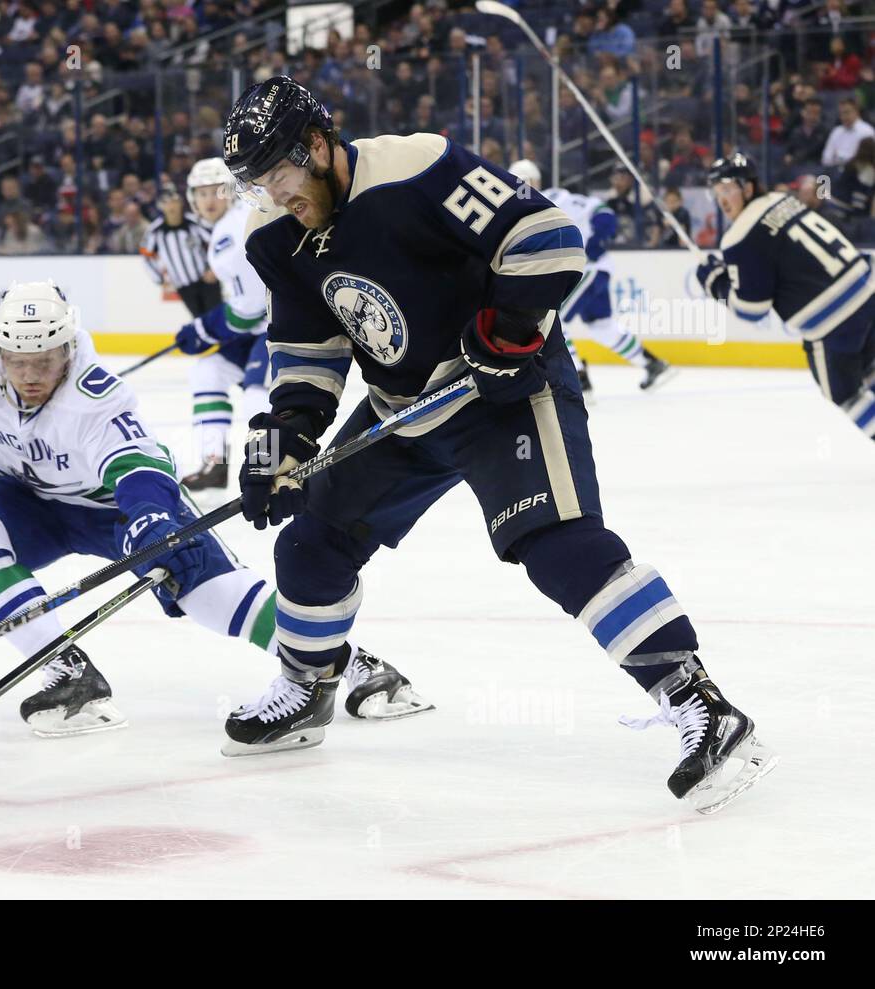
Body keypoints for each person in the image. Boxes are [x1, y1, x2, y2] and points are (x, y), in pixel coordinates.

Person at [219, 77, 776, 812]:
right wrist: (287, 435)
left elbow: (545, 236)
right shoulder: (273, 232)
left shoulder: (416, 165)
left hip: (501, 393)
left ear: (317, 145)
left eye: (280, 172)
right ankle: (306, 686)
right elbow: (307, 344)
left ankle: (698, 701)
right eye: (256, 180)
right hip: (404, 407)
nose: (271, 191)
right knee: (310, 543)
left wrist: (507, 329)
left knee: (558, 546)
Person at [0, 280, 430, 738]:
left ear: (68, 348)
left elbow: (137, 468)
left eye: (45, 361)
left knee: (212, 599)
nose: (30, 375)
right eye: (18, 361)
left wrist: (150, 518)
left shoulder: (95, 394)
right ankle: (66, 670)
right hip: (26, 498)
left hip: (115, 508)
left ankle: (349, 662)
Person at [698, 152, 875, 442]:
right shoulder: (786, 201)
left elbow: (752, 309)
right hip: (867, 294)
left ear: (748, 187)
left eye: (728, 188)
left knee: (846, 395)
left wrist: (715, 283)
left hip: (832, 323)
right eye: (716, 192)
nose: (722, 200)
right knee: (871, 373)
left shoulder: (739, 235)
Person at [508, 159, 676, 398]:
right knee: (601, 326)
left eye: (524, 182)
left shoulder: (552, 197)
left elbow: (601, 211)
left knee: (551, 317)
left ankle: (577, 376)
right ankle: (650, 363)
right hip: (590, 271)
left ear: (535, 181)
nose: (521, 188)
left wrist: (596, 242)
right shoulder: (521, 214)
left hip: (587, 269)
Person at [173, 157, 272, 491]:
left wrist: (204, 329)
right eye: (201, 194)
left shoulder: (232, 230)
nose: (208, 200)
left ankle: (268, 465)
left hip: (282, 324)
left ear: (230, 191)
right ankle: (215, 462)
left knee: (258, 393)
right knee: (209, 369)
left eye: (216, 191)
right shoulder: (230, 224)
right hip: (263, 326)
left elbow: (250, 308)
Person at [139, 183, 219, 319]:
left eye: (174, 201)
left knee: (217, 318)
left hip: (206, 281)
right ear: (160, 206)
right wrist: (159, 279)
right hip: (183, 286)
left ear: (181, 203)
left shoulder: (195, 222)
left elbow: (217, 241)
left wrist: (214, 268)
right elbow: (146, 256)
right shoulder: (154, 231)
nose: (171, 205)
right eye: (166, 202)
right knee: (200, 321)